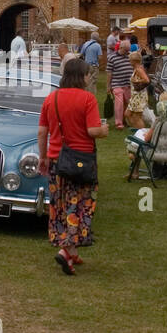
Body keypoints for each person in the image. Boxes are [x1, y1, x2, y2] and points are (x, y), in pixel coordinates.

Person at [37, 57, 107, 276]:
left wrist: (43, 157)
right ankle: (66, 252)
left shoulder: (51, 98)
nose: (89, 78)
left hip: (57, 160)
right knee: (80, 205)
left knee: (60, 205)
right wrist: (104, 129)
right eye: (87, 74)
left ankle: (72, 250)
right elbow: (92, 130)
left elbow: (42, 132)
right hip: (81, 160)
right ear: (80, 76)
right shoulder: (88, 99)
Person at [106, 40, 132, 129]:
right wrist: (108, 86)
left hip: (128, 84)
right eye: (126, 50)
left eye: (128, 50)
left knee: (128, 103)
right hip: (117, 83)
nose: (127, 52)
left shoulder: (130, 55)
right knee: (119, 103)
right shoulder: (112, 57)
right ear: (120, 48)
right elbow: (109, 72)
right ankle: (119, 123)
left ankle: (126, 120)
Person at [125, 50, 149, 129]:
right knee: (127, 114)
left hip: (139, 96)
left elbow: (147, 80)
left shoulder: (139, 69)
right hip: (135, 96)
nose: (129, 61)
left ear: (134, 61)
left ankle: (142, 133)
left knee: (137, 117)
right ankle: (137, 129)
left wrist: (137, 81)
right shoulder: (137, 69)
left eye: (130, 60)